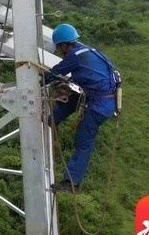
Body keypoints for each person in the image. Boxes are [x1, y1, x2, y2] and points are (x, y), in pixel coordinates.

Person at [43, 23, 121, 193]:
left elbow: (53, 74)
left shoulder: (74, 56)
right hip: (104, 98)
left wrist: (37, 79)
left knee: (83, 141)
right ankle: (54, 119)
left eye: (59, 48)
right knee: (73, 97)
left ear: (64, 45)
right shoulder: (87, 50)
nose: (59, 51)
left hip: (100, 105)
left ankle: (73, 183)